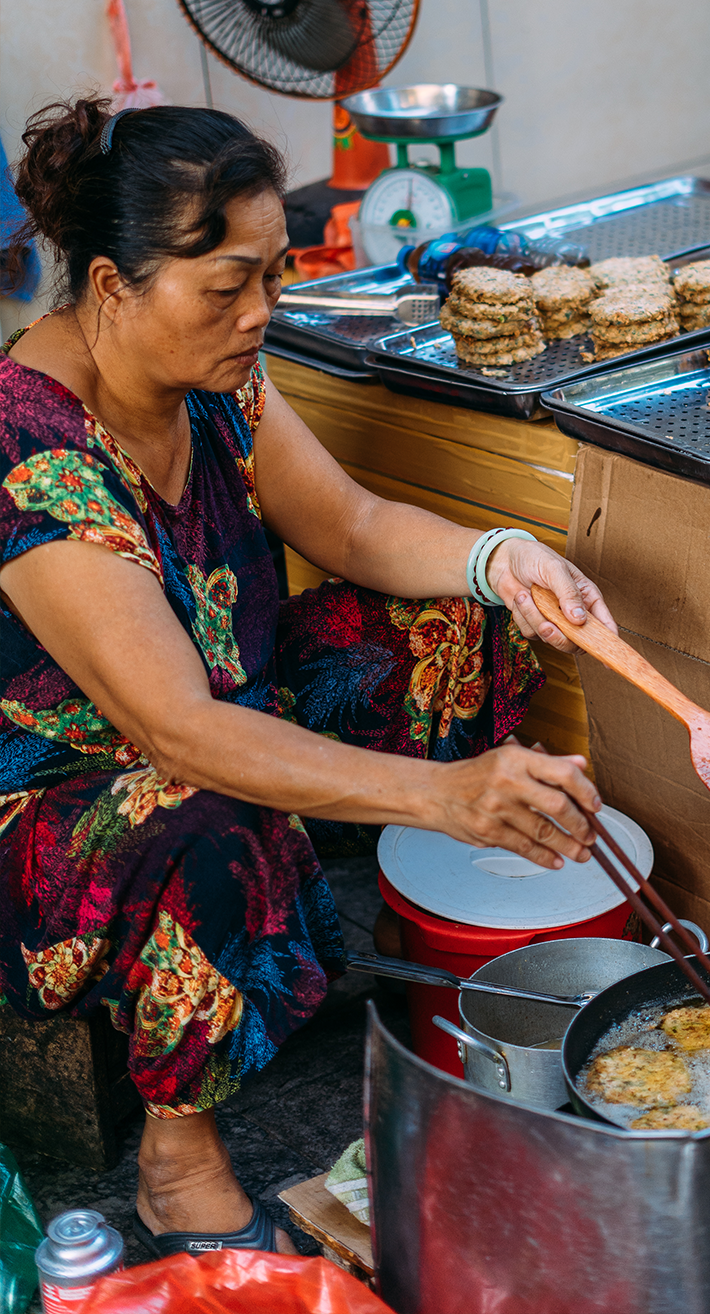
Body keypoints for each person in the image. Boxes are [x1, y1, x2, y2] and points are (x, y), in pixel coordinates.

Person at [0, 99, 613, 1256]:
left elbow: (351, 525)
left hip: (227, 703)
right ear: (113, 286)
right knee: (211, 808)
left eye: (272, 275)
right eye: (227, 285)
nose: (260, 312)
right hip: (71, 808)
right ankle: (177, 1157)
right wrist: (445, 793)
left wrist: (503, 560)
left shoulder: (215, 375)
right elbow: (178, 732)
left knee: (461, 628)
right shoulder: (33, 451)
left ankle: (360, 938)